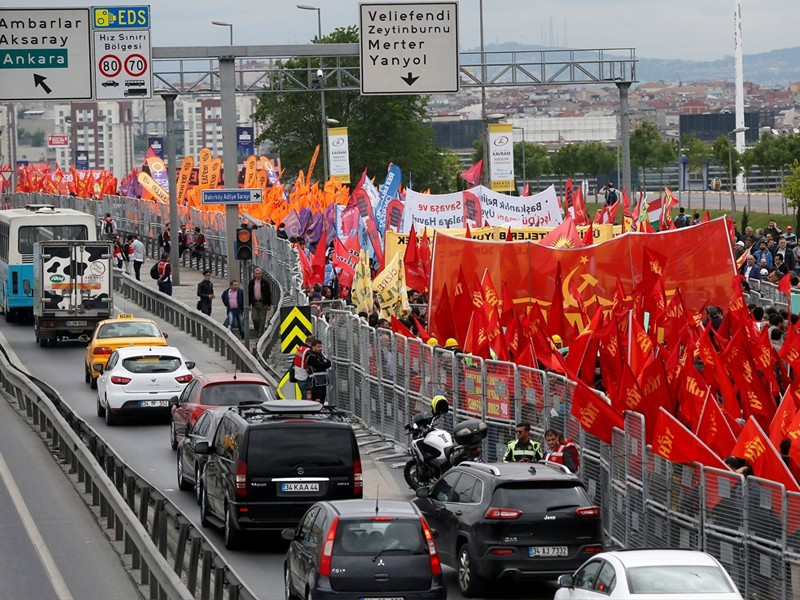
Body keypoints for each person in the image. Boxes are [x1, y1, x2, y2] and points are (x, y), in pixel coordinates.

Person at [248, 267, 273, 339]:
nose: (258, 275)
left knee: (262, 319)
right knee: (254, 318)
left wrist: (269, 304)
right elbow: (249, 294)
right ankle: (257, 329)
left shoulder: (265, 283)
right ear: (254, 274)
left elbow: (268, 293)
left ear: (261, 274)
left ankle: (260, 333)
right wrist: (249, 304)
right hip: (254, 303)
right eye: (256, 274)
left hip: (263, 303)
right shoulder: (251, 283)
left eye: (259, 274)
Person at [306, 337, 332, 404]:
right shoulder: (310, 356)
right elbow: (319, 366)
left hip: (322, 382)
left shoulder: (319, 355)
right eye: (318, 347)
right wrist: (324, 363)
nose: (320, 348)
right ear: (313, 347)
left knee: (322, 399)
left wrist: (324, 363)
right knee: (316, 401)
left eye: (321, 347)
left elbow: (329, 363)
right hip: (315, 383)